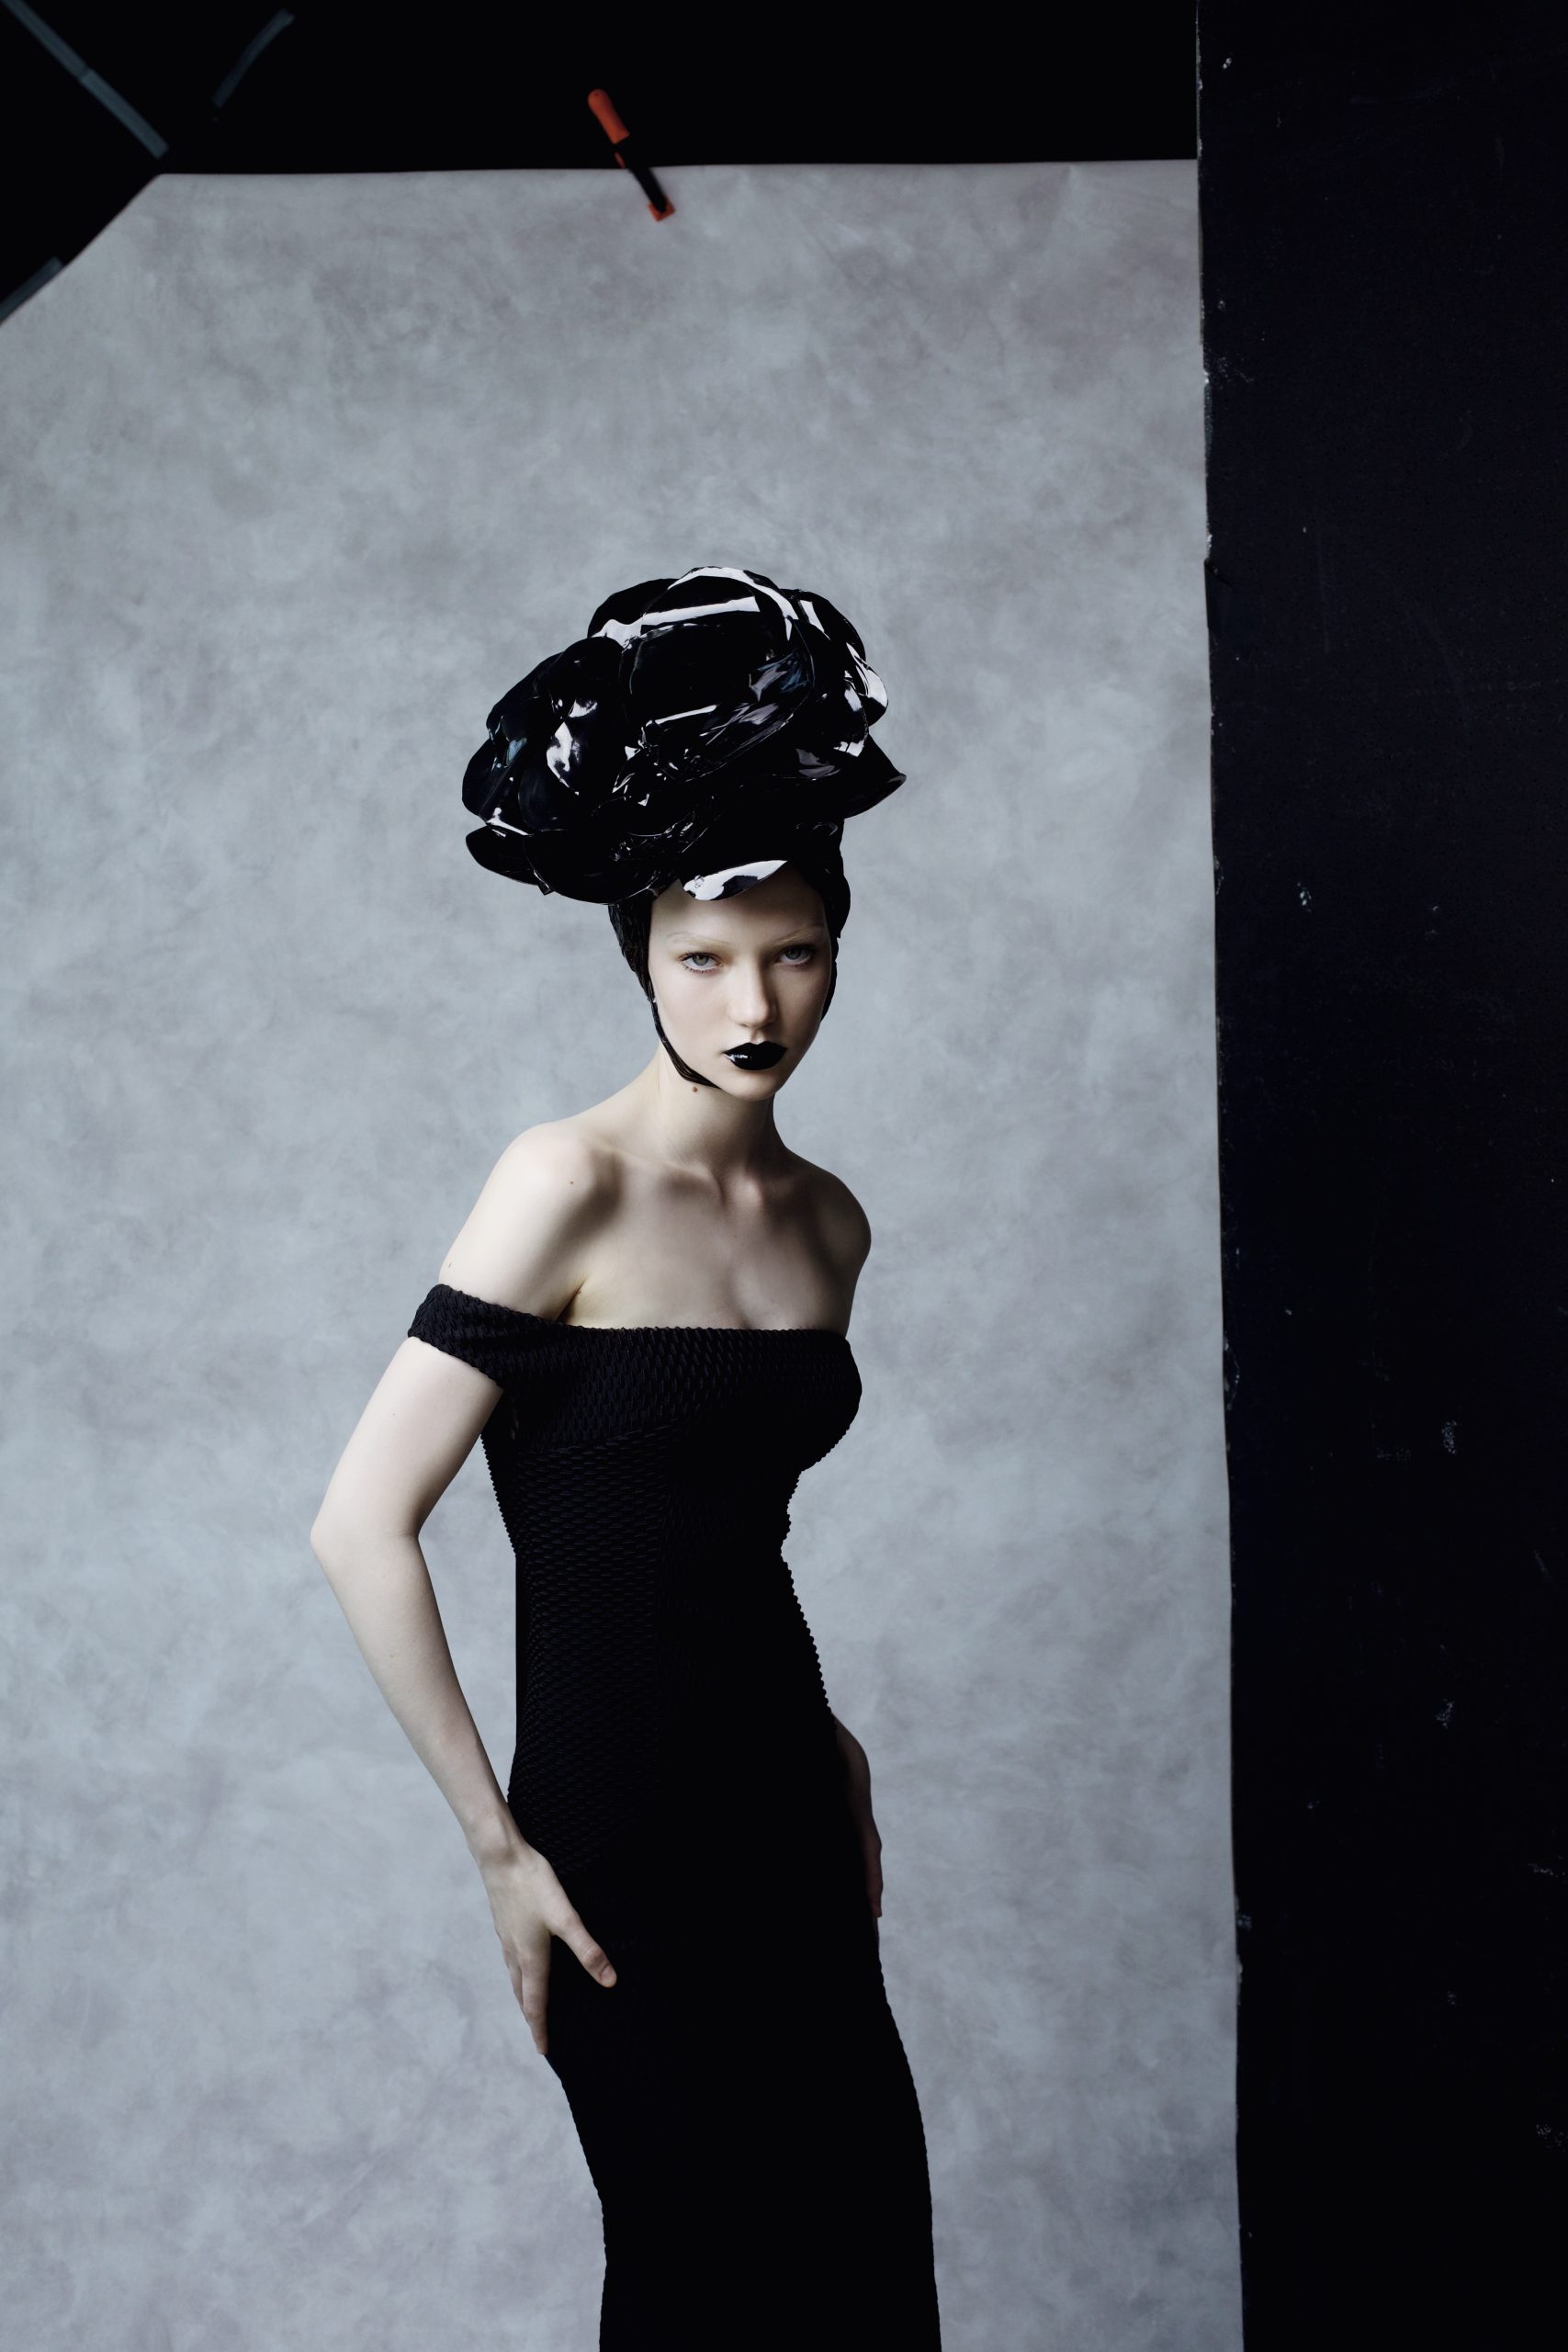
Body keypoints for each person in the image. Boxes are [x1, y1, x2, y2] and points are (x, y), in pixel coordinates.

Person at [310, 567, 943, 2346]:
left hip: (787, 1808)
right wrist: (496, 1847)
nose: (753, 1002)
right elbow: (360, 1523)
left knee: (861, 2273)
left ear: (837, 947)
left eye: (793, 951)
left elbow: (723, 1533)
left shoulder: (826, 1224)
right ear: (639, 956)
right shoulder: (562, 1182)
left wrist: (827, 1743)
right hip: (620, 1838)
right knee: (699, 2282)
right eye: (702, 958)